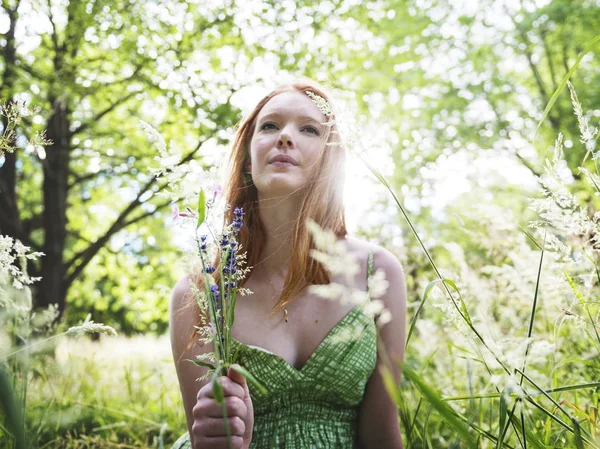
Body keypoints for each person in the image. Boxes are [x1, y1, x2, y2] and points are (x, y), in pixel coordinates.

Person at [170, 78, 407, 449]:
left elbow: (382, 437)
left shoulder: (377, 273)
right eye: (270, 125)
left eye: (309, 129)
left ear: (331, 160)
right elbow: (207, 438)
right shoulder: (199, 294)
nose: (285, 136)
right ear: (249, 160)